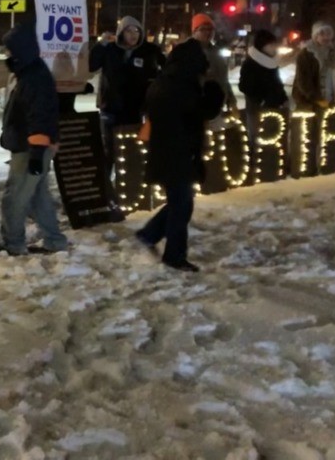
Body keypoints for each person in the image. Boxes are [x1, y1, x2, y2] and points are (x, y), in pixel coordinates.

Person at [136, 38, 225, 272]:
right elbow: (201, 111)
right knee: (182, 205)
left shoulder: (165, 80)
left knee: (179, 202)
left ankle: (149, 234)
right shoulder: (183, 84)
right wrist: (214, 92)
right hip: (178, 152)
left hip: (167, 151)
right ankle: (173, 255)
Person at [0, 23, 68, 256]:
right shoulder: (27, 72)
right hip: (31, 144)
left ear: (21, 49)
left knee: (15, 197)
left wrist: (38, 152)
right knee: (38, 195)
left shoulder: (33, 76)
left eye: (9, 49)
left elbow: (40, 115)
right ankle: (55, 240)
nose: (6, 53)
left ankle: (13, 242)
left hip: (30, 147)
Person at [88, 15, 164, 164]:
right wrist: (101, 44)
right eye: (128, 31)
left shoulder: (148, 52)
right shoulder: (110, 50)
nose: (133, 34)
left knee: (130, 150)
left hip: (135, 109)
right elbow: (92, 65)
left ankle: (127, 185)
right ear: (121, 33)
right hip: (110, 107)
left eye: (136, 30)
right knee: (109, 150)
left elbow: (163, 71)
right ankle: (108, 184)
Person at [190, 13, 236, 119]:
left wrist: (231, 100)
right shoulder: (189, 52)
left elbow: (223, 79)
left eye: (210, 29)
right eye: (203, 29)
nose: (208, 32)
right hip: (198, 107)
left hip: (217, 106)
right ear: (194, 31)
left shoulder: (216, 52)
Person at [293, 21, 335, 108]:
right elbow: (303, 79)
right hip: (309, 99)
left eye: (328, 34)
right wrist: (315, 98)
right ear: (315, 36)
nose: (326, 37)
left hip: (330, 98)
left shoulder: (334, 53)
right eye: (322, 34)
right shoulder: (306, 54)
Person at [239, 29, 288, 112]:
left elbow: (277, 83)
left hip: (275, 107)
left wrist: (284, 99)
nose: (274, 47)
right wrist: (261, 100)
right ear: (262, 46)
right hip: (256, 109)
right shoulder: (250, 63)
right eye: (271, 45)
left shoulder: (272, 62)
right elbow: (244, 86)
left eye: (275, 44)